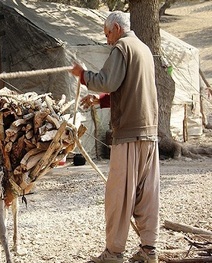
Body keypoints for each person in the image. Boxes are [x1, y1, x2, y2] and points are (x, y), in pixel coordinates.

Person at [70, 11, 160, 263]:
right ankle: (148, 250)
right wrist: (99, 100)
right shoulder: (143, 49)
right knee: (146, 193)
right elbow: (128, 87)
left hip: (129, 134)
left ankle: (113, 253)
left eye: (107, 33)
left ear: (117, 29)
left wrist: (83, 75)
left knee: (119, 196)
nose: (107, 39)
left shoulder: (122, 48)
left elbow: (108, 81)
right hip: (149, 132)